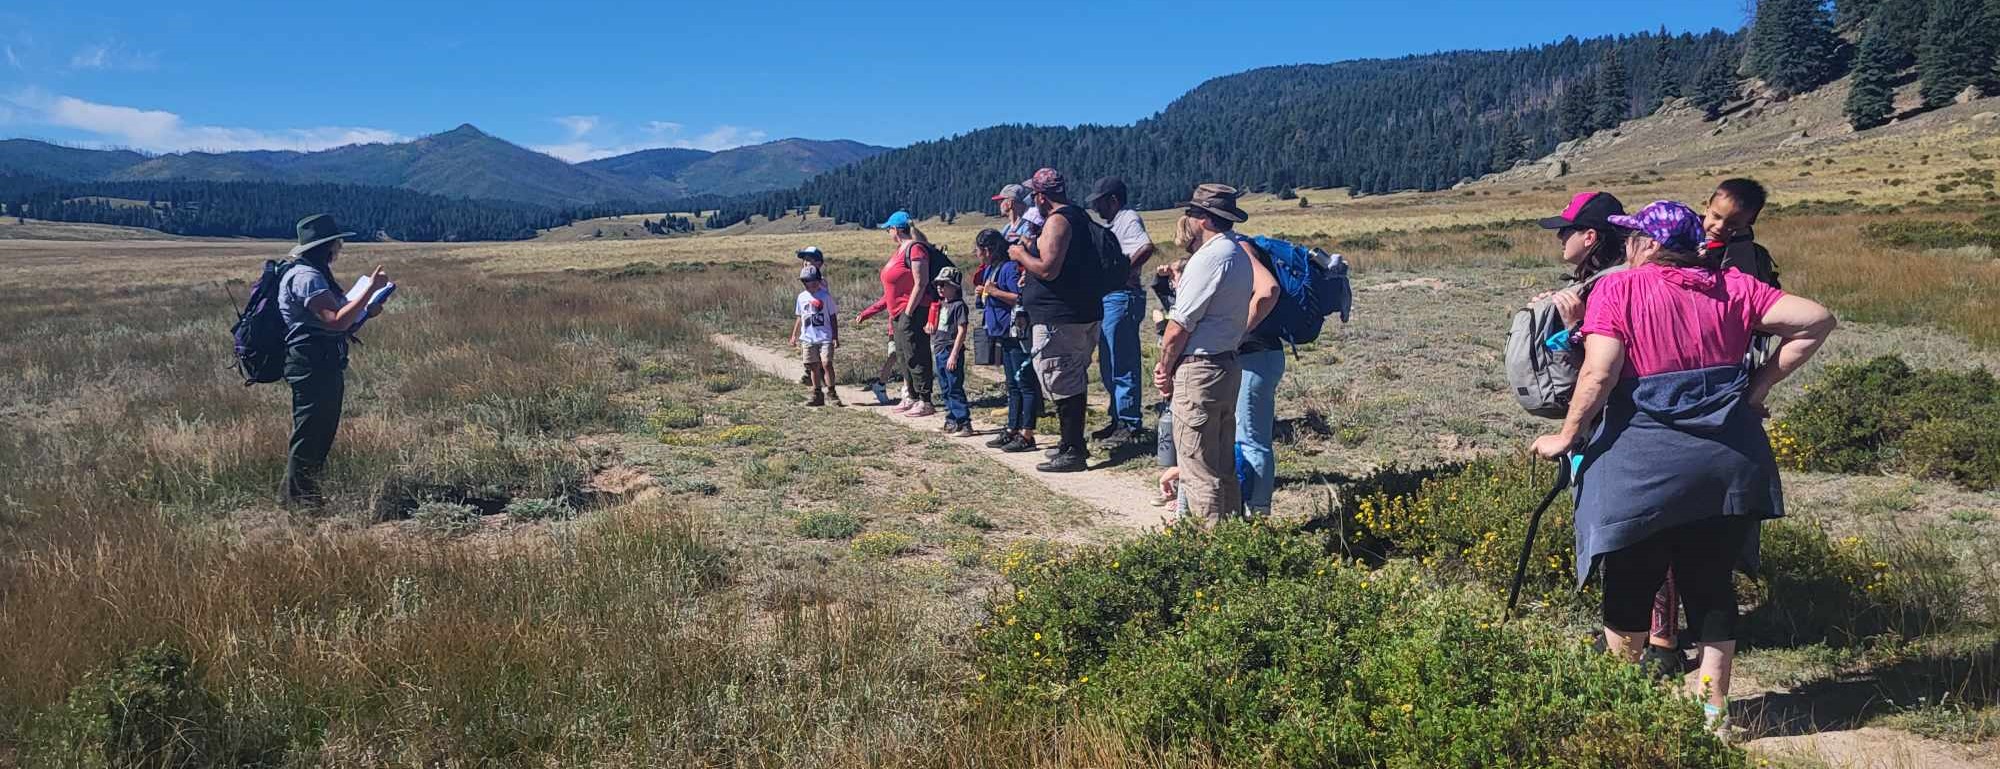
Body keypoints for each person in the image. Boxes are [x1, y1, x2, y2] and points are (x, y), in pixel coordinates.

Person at [1529, 200, 1837, 736]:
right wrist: (1756, 388)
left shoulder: (1618, 288)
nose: (1625, 246)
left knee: (1629, 583)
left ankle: (1625, 711)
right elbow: (1815, 320)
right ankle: (1712, 712)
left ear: (1647, 244)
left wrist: (1565, 436)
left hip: (1642, 464)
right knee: (1710, 581)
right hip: (1728, 462)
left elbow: (1600, 373)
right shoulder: (1735, 287)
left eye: (1631, 238)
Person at [1154, 184, 1255, 520]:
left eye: (1193, 212)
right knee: (1222, 465)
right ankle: (1232, 540)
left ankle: (1209, 554)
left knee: (1198, 470)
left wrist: (1164, 368)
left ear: (1204, 219)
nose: (1189, 218)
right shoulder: (1238, 254)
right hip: (1226, 363)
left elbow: (1179, 325)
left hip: (1199, 369)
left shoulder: (1208, 259)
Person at [277, 214, 386, 505]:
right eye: (337, 243)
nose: (340, 248)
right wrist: (370, 290)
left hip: (321, 360)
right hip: (312, 363)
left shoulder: (313, 273)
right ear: (326, 247)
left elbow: (339, 323)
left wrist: (368, 310)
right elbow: (335, 321)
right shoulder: (307, 278)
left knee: (319, 430)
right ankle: (300, 501)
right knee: (311, 432)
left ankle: (300, 496)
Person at [1010, 168, 1106, 473]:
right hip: (1081, 311)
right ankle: (1068, 444)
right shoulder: (1079, 216)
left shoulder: (1058, 221)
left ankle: (1073, 449)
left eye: (1034, 195)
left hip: (1061, 317)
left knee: (1060, 377)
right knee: (1069, 377)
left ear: (1041, 196)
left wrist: (1018, 254)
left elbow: (1049, 269)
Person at [1086, 177, 1155, 447]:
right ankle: (1118, 418)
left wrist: (1123, 274)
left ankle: (1129, 422)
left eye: (1100, 202)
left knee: (1121, 361)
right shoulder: (1116, 223)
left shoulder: (1128, 218)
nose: (1097, 208)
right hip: (1113, 296)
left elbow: (1146, 247)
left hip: (1122, 296)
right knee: (1110, 361)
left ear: (1113, 200)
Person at [856, 211, 935, 417]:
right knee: (903, 355)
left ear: (898, 229)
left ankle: (924, 399)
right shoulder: (901, 250)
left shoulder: (915, 249)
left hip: (913, 311)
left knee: (916, 353)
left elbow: (921, 282)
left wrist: (908, 312)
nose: (888, 232)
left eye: (889, 229)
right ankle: (911, 395)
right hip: (898, 313)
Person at [1228, 236, 1285, 516]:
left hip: (1255, 355)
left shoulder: (1240, 248)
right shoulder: (1237, 247)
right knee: (1247, 434)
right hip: (1258, 355)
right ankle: (1249, 506)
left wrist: (1237, 336)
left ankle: (1259, 514)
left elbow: (1268, 290)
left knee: (1252, 438)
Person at [974, 228, 1043, 452]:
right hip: (1002, 333)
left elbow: (1019, 298)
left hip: (1016, 332)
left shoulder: (1009, 268)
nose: (976, 254)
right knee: (1012, 385)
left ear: (988, 250)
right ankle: (1013, 428)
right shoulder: (990, 270)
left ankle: (1027, 433)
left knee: (1025, 383)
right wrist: (982, 293)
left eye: (978, 250)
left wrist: (994, 292)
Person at [1536, 190, 1629, 327]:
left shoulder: (1611, 289)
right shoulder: (1611, 277)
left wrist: (1576, 324)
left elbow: (1608, 345)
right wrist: (1560, 303)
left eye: (1565, 230)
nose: (1559, 236)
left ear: (1589, 237)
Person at [930, 266, 974, 436]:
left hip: (950, 350)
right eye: (938, 284)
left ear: (954, 286)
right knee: (945, 387)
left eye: (944, 284)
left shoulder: (958, 306)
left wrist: (954, 354)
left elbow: (962, 330)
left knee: (954, 387)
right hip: (940, 349)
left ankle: (964, 423)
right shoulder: (942, 305)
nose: (940, 288)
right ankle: (951, 421)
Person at [791, 263, 842, 407]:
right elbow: (800, 317)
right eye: (806, 281)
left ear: (818, 281)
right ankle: (817, 393)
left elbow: (832, 317)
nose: (809, 284)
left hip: (824, 336)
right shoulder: (801, 297)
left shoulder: (825, 296)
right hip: (808, 337)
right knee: (813, 366)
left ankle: (832, 392)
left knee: (826, 363)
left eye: (812, 281)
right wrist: (794, 335)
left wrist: (835, 337)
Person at [795, 246, 830, 384]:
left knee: (817, 349)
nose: (805, 263)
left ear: (819, 263)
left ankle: (816, 375)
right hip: (809, 322)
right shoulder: (808, 281)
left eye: (809, 260)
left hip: (819, 322)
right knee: (809, 349)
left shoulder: (820, 282)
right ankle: (813, 373)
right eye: (804, 260)